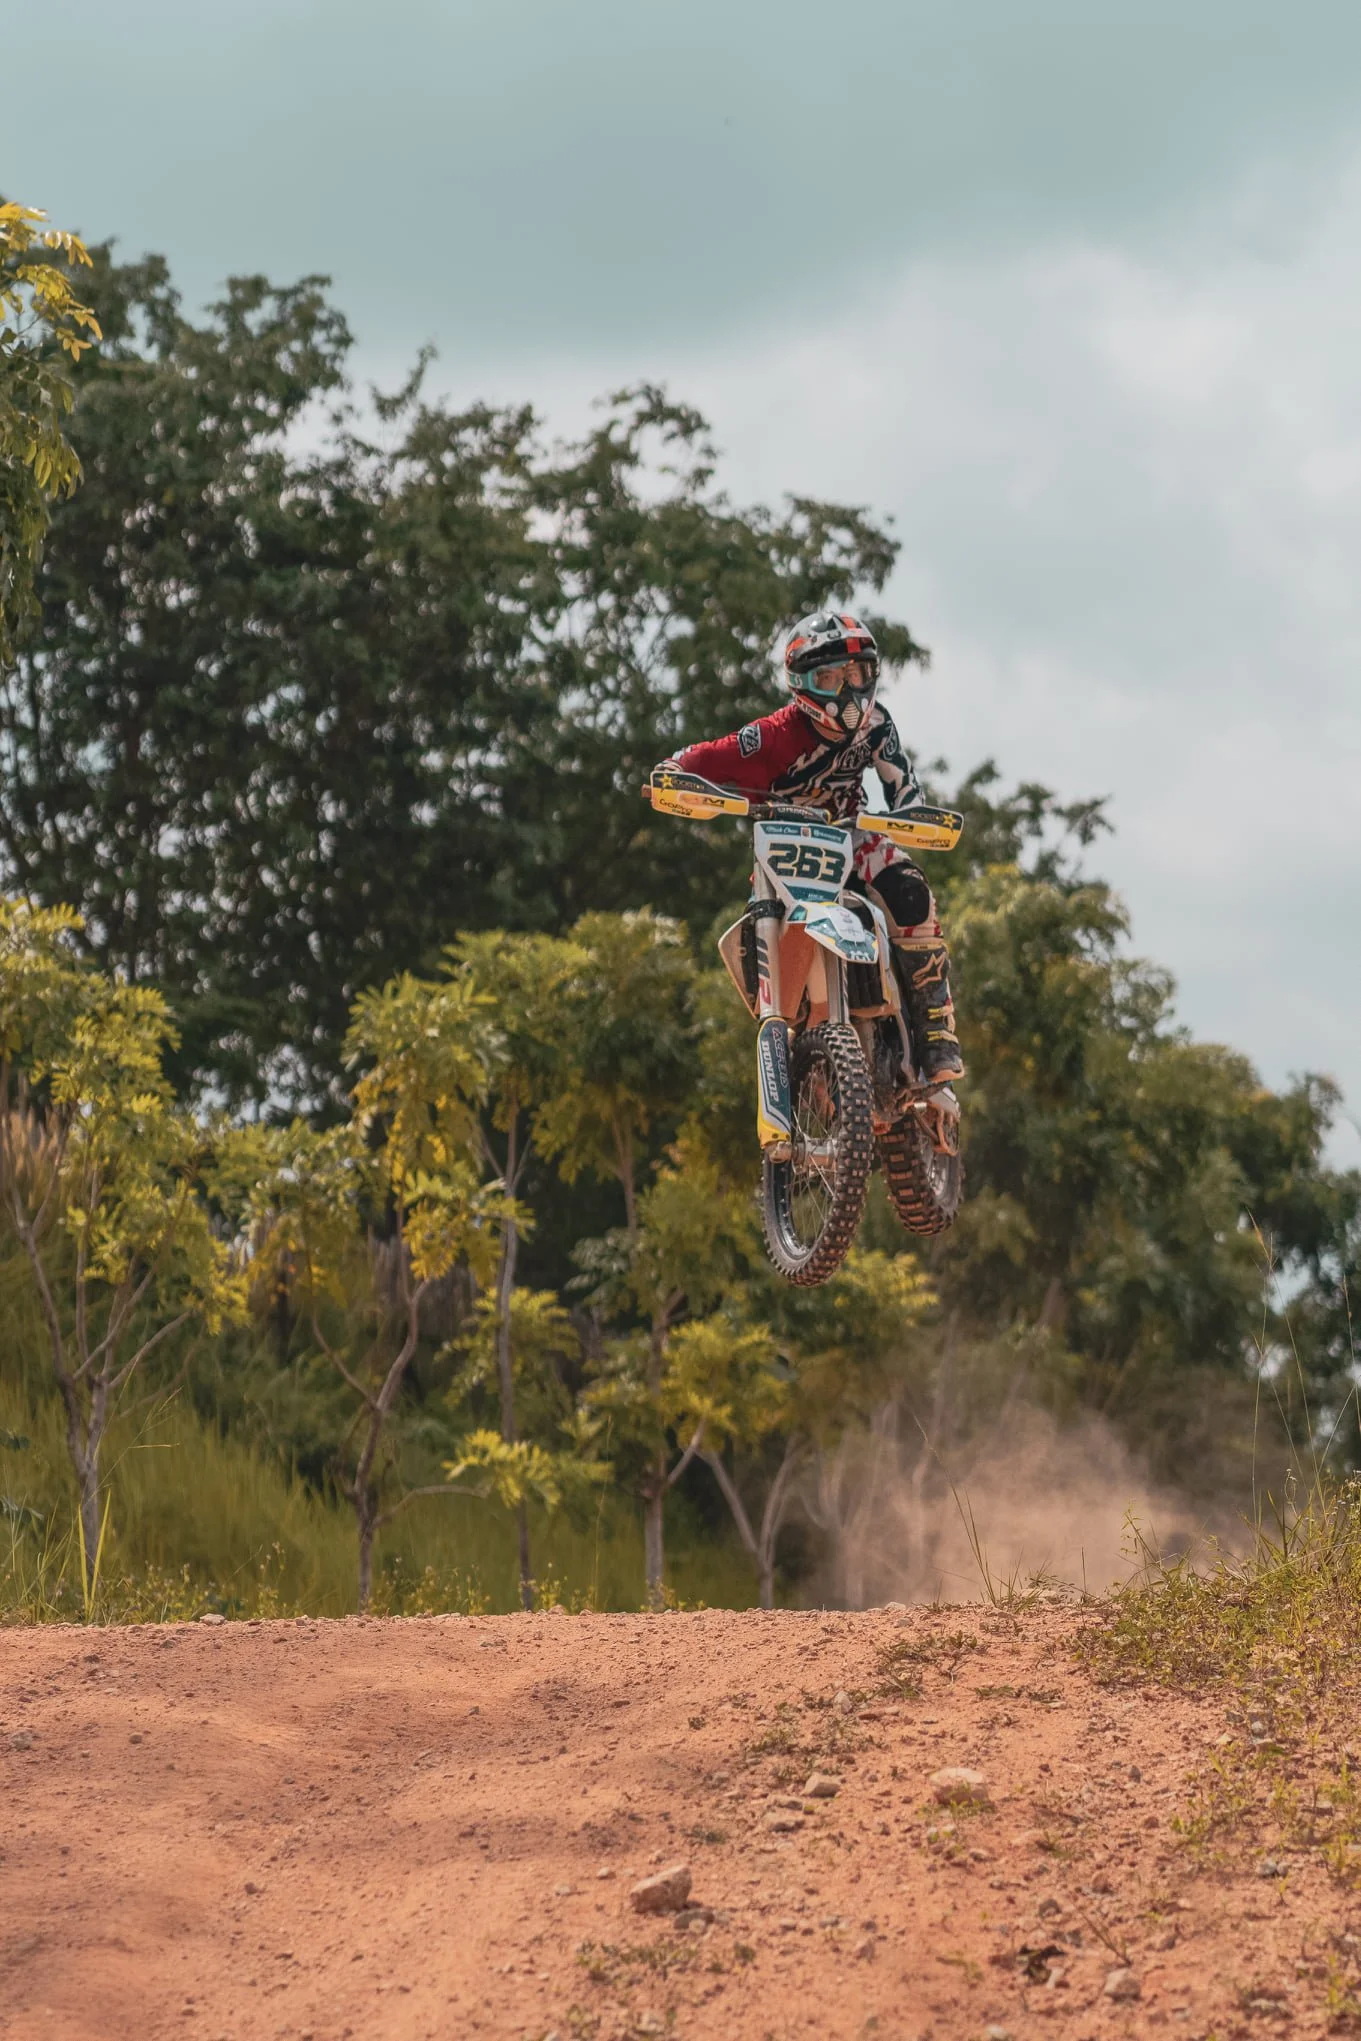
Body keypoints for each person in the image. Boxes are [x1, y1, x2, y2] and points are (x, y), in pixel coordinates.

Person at [660, 610, 964, 1084]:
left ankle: (935, 1027)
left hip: (852, 836)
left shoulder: (877, 726)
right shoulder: (773, 735)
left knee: (912, 892)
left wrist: (908, 816)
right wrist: (674, 771)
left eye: (856, 674)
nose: (847, 691)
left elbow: (903, 786)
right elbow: (706, 756)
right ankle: (785, 1035)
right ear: (802, 683)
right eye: (830, 677)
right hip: (787, 850)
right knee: (765, 935)